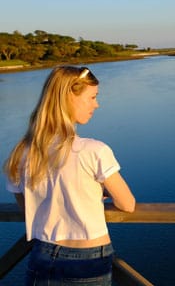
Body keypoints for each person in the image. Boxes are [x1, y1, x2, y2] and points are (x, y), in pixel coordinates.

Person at [3, 66, 135, 285]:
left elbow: (28, 208)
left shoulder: (22, 153)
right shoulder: (94, 150)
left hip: (42, 254)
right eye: (92, 97)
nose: (96, 104)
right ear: (68, 98)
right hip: (88, 260)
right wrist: (96, 192)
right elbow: (127, 204)